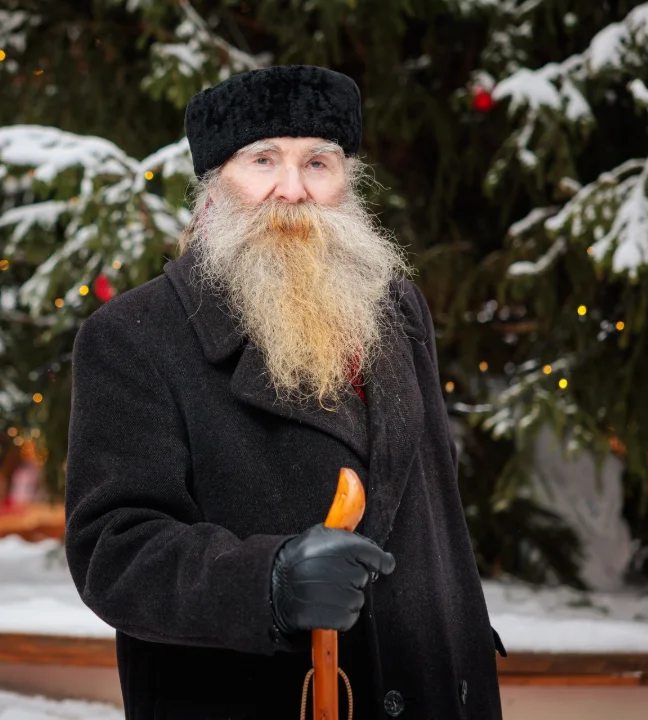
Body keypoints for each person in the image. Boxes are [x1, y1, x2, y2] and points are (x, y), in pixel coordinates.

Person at [64, 65, 505, 719]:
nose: (292, 190)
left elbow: (434, 509)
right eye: (263, 159)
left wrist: (465, 661)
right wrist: (266, 582)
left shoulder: (396, 307)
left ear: (346, 179)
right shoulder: (133, 335)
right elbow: (114, 550)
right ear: (214, 184)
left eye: (318, 163)